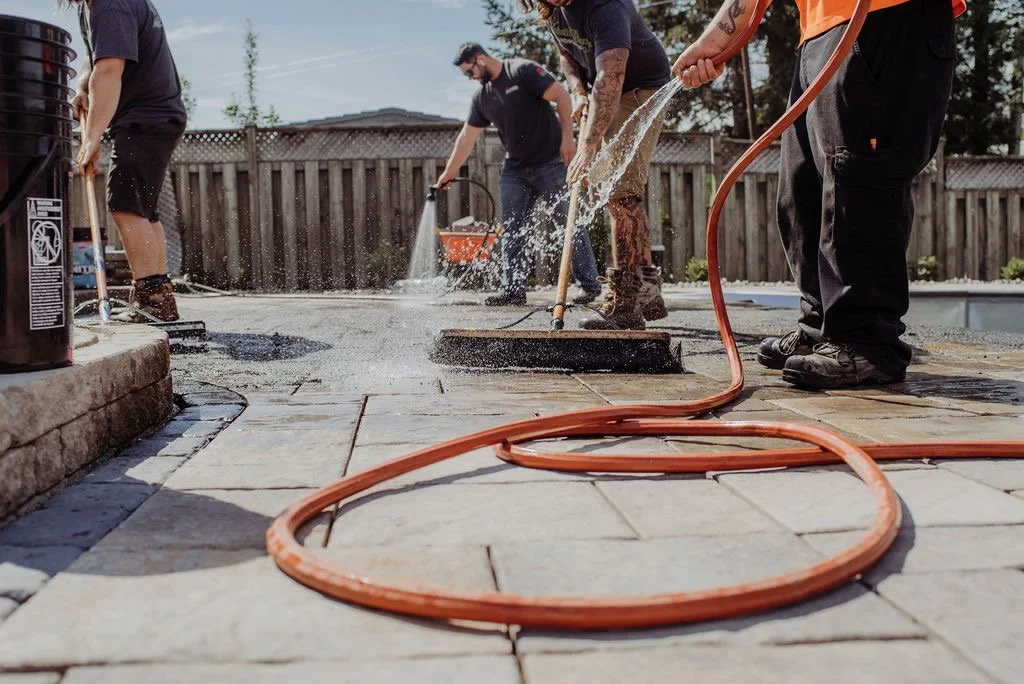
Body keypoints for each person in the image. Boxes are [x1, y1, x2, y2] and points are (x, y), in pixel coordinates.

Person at [674, 0, 959, 388]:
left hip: (887, 18)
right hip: (820, 31)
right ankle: (821, 327)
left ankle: (867, 343)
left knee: (859, 175)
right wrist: (713, 43)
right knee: (801, 185)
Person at [518, 0, 671, 330]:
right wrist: (578, 92)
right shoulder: (553, 10)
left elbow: (611, 75)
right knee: (617, 193)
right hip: (607, 89)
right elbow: (567, 53)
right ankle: (647, 290)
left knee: (620, 192)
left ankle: (626, 305)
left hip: (641, 87)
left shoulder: (606, 6)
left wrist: (587, 148)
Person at [437, 43, 602, 307]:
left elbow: (561, 96)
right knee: (513, 229)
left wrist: (568, 140)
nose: (470, 78)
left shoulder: (521, 71)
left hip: (551, 162)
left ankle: (590, 285)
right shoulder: (482, 98)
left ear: (480, 59)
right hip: (515, 169)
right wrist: (448, 173)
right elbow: (466, 137)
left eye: (470, 72)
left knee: (569, 223)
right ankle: (513, 290)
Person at [67, 0, 187, 323]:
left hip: (146, 116)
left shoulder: (109, 2)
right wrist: (82, 88)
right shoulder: (97, 6)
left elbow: (109, 70)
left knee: (124, 203)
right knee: (142, 208)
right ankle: (159, 300)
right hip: (158, 115)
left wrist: (91, 138)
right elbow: (96, 61)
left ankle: (152, 303)